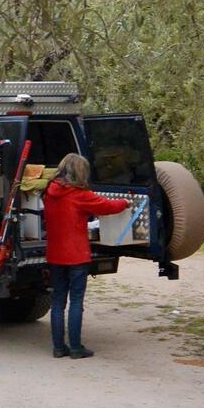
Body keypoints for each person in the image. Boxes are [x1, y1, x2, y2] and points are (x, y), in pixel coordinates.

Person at [42, 152, 131, 359]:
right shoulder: (79, 194)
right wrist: (125, 203)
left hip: (55, 254)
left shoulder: (49, 192)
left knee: (57, 302)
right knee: (76, 301)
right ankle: (75, 347)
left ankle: (58, 347)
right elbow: (107, 206)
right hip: (76, 255)